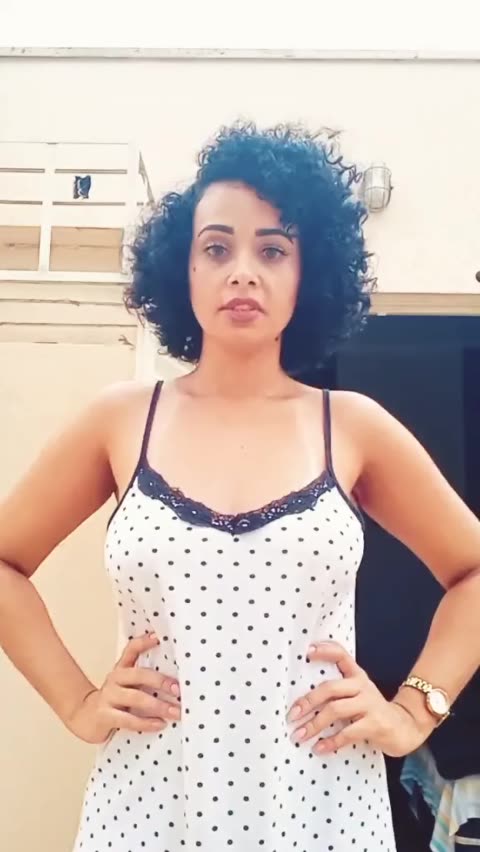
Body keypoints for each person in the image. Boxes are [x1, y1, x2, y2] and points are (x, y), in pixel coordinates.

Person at [0, 123, 479, 852]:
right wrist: (77, 702)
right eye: (217, 248)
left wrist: (414, 710)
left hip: (321, 810)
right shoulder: (120, 421)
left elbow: (472, 572)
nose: (243, 272)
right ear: (184, 268)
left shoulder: (351, 427)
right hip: (148, 808)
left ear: (307, 274)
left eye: (273, 250)